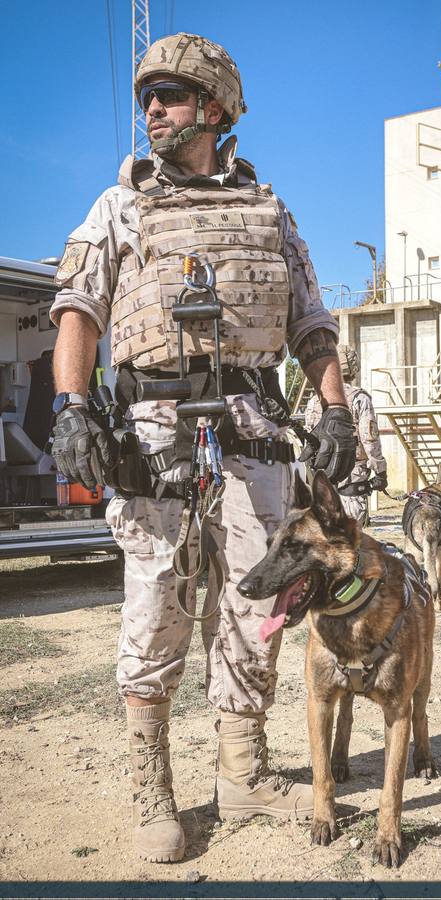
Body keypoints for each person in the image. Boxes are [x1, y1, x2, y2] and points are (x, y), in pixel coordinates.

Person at [49, 33, 355, 863]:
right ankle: (155, 785)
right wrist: (72, 404)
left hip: (254, 436)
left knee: (258, 605)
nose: (152, 108)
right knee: (156, 607)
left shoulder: (271, 209)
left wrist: (335, 414)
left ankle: (242, 770)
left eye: (172, 95)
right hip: (155, 439)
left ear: (214, 109)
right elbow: (77, 304)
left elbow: (311, 323)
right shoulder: (118, 208)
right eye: (148, 97)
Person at [305, 345, 387, 525]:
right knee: (350, 540)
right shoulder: (359, 398)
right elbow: (369, 439)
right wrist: (380, 471)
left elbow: (309, 440)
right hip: (352, 474)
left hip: (321, 477)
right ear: (353, 369)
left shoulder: (314, 400)